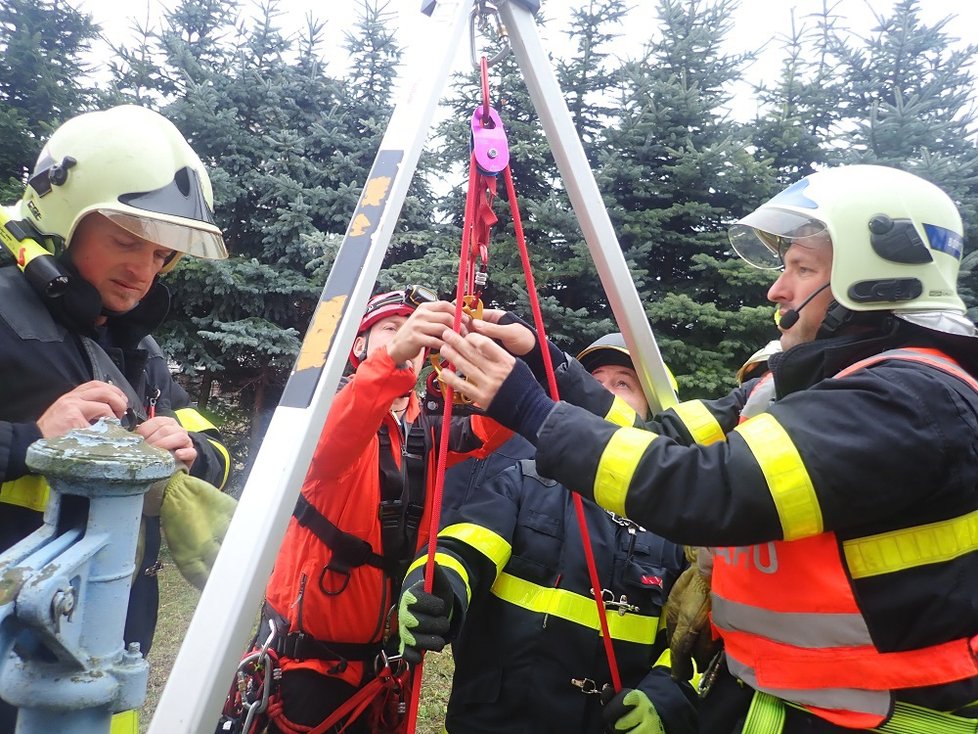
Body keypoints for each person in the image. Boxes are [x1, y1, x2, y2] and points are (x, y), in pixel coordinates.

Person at [433, 164, 978, 732]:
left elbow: (708, 488)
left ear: (874, 280)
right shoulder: (796, 391)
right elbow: (657, 438)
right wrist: (546, 363)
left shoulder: (911, 398)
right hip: (782, 700)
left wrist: (528, 410)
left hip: (873, 718)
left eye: (802, 268)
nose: (777, 289)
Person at [0, 104, 232, 727]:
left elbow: (208, 442)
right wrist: (29, 439)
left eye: (160, 255)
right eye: (126, 242)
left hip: (108, 640)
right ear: (60, 222)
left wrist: (191, 451)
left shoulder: (127, 340)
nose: (143, 271)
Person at [397, 332, 696, 734]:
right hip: (499, 721)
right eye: (593, 381)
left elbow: (694, 634)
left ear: (655, 411)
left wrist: (664, 698)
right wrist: (437, 586)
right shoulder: (526, 481)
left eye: (622, 383)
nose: (599, 394)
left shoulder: (681, 523)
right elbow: (465, 545)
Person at [256, 288, 510, 734]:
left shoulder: (424, 433)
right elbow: (336, 439)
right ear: (360, 347)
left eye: (418, 336)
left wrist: (502, 359)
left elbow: (495, 427)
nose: (410, 341)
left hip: (386, 665)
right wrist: (393, 357)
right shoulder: (324, 419)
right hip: (306, 667)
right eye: (392, 329)